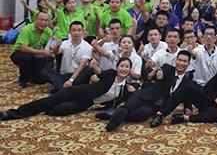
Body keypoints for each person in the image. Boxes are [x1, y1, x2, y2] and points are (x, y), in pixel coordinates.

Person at [0, 57, 134, 120]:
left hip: (86, 103)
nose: (124, 69)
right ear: (117, 67)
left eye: (127, 67)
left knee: (59, 110)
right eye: (121, 66)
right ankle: (13, 113)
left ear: (129, 70)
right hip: (77, 91)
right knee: (49, 101)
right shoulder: (111, 74)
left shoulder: (124, 88)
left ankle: (45, 107)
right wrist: (94, 67)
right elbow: (101, 73)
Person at [150, 57, 217, 126]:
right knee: (188, 88)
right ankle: (160, 115)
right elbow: (209, 86)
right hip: (206, 97)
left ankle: (185, 118)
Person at [103, 50, 195, 132]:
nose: (181, 63)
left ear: (188, 64)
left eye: (184, 61)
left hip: (156, 105)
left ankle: (113, 114)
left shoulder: (187, 81)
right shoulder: (167, 68)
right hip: (144, 94)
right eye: (179, 60)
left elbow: (185, 95)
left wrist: (188, 108)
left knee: (139, 116)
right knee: (128, 107)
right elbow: (159, 73)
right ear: (175, 61)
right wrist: (159, 75)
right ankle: (110, 126)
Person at [41, 21, 93, 92]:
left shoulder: (87, 46)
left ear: (83, 32)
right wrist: (57, 46)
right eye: (73, 30)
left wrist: (71, 80)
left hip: (78, 76)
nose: (76, 33)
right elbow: (55, 53)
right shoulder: (65, 43)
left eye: (79, 31)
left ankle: (63, 89)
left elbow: (82, 65)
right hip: (64, 75)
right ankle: (69, 90)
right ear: (70, 32)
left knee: (88, 69)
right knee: (44, 71)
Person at [10, 11, 55, 88]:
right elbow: (23, 48)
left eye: (46, 20)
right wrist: (41, 52)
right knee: (27, 57)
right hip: (19, 53)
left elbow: (51, 47)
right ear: (35, 20)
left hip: (36, 55)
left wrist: (56, 45)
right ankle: (23, 80)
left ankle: (30, 76)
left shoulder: (48, 31)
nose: (43, 23)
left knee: (41, 80)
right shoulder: (27, 29)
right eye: (41, 20)